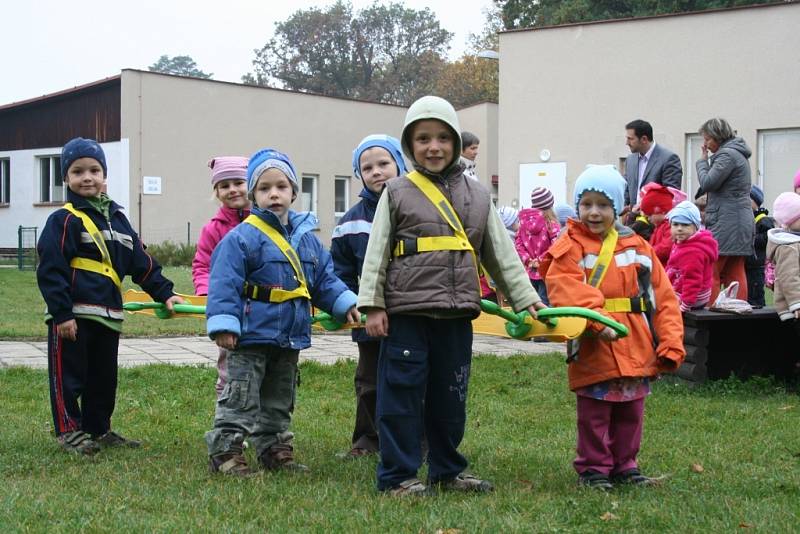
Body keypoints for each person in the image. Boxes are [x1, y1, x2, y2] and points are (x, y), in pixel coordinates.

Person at [358, 95, 545, 496]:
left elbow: (500, 251)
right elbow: (376, 252)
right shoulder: (396, 191)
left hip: (457, 314)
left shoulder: (478, 196)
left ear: (456, 143)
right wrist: (372, 304)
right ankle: (397, 476)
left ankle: (446, 470)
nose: (434, 146)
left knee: (451, 397)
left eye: (443, 137)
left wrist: (526, 296)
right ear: (410, 145)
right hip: (407, 314)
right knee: (402, 397)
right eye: (423, 138)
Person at [204, 148, 360, 476]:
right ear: (253, 196)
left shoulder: (308, 241)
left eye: (281, 186)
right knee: (241, 395)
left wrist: (345, 302)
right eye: (264, 188)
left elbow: (323, 280)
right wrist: (224, 323)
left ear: (293, 191)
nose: (273, 194)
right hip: (249, 335)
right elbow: (223, 281)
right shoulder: (242, 238)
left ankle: (273, 448)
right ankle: (226, 451)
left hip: (289, 337)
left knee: (279, 398)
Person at [540, 165, 685, 491]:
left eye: (603, 205)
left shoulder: (637, 245)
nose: (594, 212)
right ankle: (593, 469)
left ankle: (625, 465)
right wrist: (595, 320)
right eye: (586, 204)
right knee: (595, 411)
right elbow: (564, 286)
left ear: (618, 208)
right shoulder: (570, 244)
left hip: (636, 341)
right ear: (577, 206)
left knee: (631, 410)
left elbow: (663, 297)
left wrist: (671, 341)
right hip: (595, 342)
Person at [37, 137, 183, 455]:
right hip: (74, 316)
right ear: (66, 178)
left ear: (104, 175)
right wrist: (62, 313)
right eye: (77, 171)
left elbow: (141, 264)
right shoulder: (63, 219)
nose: (86, 177)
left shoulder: (118, 220)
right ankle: (68, 430)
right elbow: (51, 268)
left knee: (103, 378)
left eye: (94, 169)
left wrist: (165, 293)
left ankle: (98, 428)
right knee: (69, 377)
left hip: (109, 316)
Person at [331, 134, 407, 459]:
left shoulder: (415, 209)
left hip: (410, 313)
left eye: (384, 163)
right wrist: (347, 302)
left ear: (399, 165)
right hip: (368, 316)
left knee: (411, 378)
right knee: (369, 381)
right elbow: (340, 270)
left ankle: (415, 440)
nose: (376, 171)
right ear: (359, 174)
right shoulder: (350, 223)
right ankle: (366, 441)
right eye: (367, 167)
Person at [192, 156, 251, 396]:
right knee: (229, 365)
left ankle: (264, 425)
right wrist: (207, 293)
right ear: (217, 192)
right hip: (229, 307)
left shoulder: (265, 222)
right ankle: (226, 419)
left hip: (262, 308)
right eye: (224, 185)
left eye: (238, 182)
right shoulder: (213, 229)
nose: (232, 190)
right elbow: (202, 265)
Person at [696, 117, 754, 304]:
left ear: (718, 137)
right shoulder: (738, 154)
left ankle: (710, 317)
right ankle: (736, 315)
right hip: (739, 220)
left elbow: (707, 183)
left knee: (711, 270)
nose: (705, 144)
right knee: (735, 271)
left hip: (726, 221)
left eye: (707, 139)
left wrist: (702, 161)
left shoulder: (727, 155)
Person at [664, 201, 719, 311]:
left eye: (685, 225)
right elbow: (672, 266)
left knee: (660, 304)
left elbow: (693, 280)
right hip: (683, 290)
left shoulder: (693, 252)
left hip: (693, 297)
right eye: (675, 224)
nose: (679, 228)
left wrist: (685, 305)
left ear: (696, 227)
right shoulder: (682, 242)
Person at [622, 119, 683, 215]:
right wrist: (622, 207)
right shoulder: (630, 160)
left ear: (644, 139)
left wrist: (643, 207)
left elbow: (670, 195)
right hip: (633, 222)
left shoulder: (669, 159)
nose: (627, 143)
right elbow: (627, 189)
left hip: (656, 224)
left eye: (630, 139)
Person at [515, 187, 560, 304]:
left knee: (532, 303)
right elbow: (556, 246)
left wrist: (529, 261)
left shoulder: (523, 224)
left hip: (529, 271)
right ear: (550, 205)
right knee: (545, 304)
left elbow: (518, 244)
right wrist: (540, 261)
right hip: (546, 271)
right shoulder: (551, 224)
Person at [766, 192, 800, 325]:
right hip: (793, 308)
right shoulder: (788, 247)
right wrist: (797, 303)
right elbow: (789, 276)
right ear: (788, 222)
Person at [746, 185, 775, 307]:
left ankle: (760, 311)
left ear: (755, 201)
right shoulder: (749, 218)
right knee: (748, 292)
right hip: (749, 263)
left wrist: (750, 237)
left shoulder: (764, 220)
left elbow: (766, 238)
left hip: (757, 265)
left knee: (756, 292)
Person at [639, 184, 675, 265]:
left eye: (650, 214)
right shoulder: (659, 226)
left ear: (661, 211)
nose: (648, 218)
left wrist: (648, 251)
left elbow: (666, 248)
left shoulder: (670, 225)